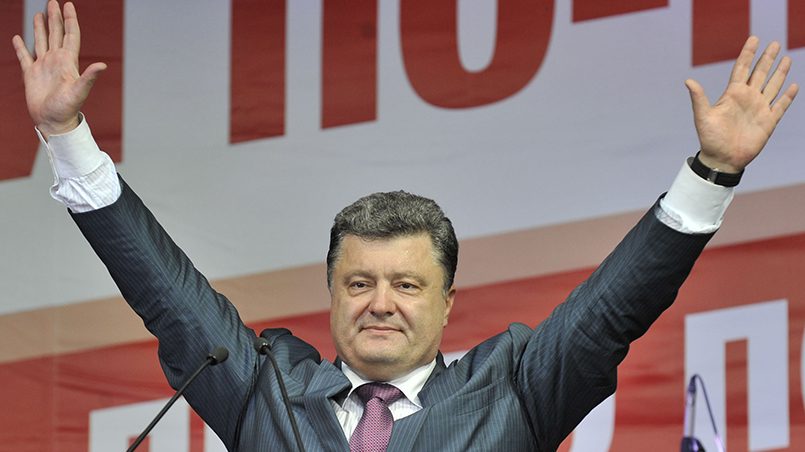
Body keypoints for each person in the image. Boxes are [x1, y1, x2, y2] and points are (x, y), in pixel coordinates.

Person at [12, 1, 798, 451]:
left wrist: (712, 169)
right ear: (330, 294)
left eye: (406, 284)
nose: (379, 303)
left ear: (447, 302)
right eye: (359, 282)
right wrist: (66, 135)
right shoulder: (266, 392)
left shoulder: (513, 390)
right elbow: (165, 291)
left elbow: (611, 309)